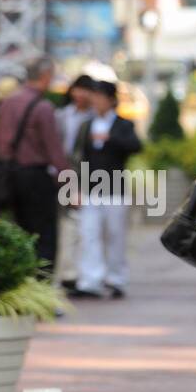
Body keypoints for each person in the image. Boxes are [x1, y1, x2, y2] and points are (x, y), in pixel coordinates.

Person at [0, 56, 71, 277]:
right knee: (45, 236)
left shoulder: (8, 103)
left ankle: (23, 284)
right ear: (46, 76)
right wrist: (69, 186)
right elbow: (54, 150)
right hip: (36, 178)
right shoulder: (43, 107)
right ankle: (43, 287)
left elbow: (0, 143)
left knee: (21, 233)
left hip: (9, 175)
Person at [66, 81, 140, 300]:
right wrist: (75, 187)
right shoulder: (86, 125)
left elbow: (135, 146)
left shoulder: (123, 124)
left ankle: (116, 279)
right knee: (89, 235)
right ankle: (90, 281)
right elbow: (78, 158)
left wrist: (111, 138)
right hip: (90, 189)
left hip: (114, 188)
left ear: (111, 99)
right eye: (94, 96)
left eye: (100, 97)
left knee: (115, 235)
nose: (96, 101)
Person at [56, 74, 96, 290]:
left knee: (83, 225)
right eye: (77, 89)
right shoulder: (61, 115)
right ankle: (68, 271)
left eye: (86, 90)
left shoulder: (95, 118)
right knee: (66, 223)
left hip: (87, 175)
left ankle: (80, 272)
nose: (80, 94)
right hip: (61, 172)